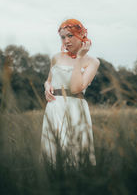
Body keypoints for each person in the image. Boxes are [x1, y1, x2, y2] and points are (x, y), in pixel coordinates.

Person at [40, 18, 100, 166]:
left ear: (81, 35)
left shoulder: (92, 62)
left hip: (75, 108)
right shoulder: (56, 57)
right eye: (63, 37)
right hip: (54, 108)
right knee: (53, 154)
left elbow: (75, 88)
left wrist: (79, 58)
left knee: (74, 154)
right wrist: (47, 86)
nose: (66, 40)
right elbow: (49, 79)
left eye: (70, 35)